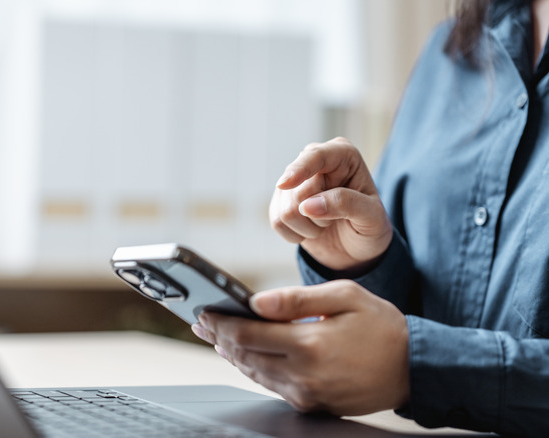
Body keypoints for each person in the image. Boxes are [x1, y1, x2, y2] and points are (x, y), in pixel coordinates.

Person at [190, 0, 549, 436]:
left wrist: (416, 367)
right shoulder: (452, 50)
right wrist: (359, 263)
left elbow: (418, 354)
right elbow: (416, 318)